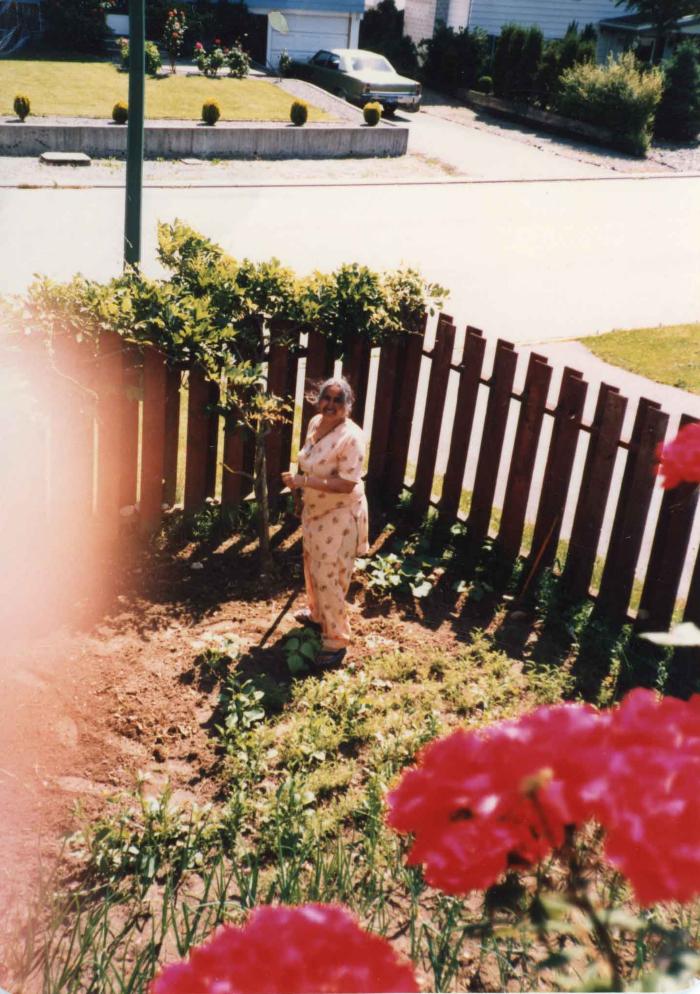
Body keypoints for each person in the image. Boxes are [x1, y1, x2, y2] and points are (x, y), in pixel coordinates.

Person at [281, 377, 368, 667]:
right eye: (326, 398)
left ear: (348, 405)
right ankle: (318, 616)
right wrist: (299, 492)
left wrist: (304, 481)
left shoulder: (352, 438)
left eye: (338, 400)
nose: (330, 405)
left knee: (330, 576)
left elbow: (345, 484)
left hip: (340, 515)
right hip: (314, 511)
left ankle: (336, 642)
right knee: (313, 567)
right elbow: (308, 460)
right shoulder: (315, 423)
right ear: (318, 400)